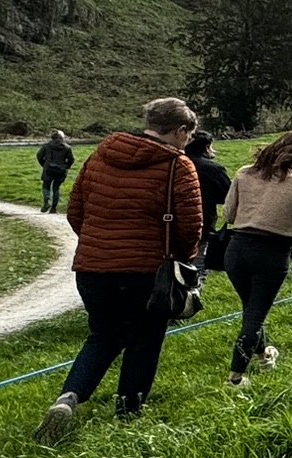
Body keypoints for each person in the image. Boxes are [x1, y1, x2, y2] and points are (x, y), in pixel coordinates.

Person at [34, 98, 203, 440]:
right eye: (188, 135)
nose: (187, 142)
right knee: (145, 339)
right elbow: (190, 228)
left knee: (102, 335)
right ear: (180, 130)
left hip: (93, 268)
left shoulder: (100, 155)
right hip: (147, 270)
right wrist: (182, 258)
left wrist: (99, 243)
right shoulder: (178, 165)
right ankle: (129, 413)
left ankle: (68, 397)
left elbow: (75, 211)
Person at [220, 130, 292, 386]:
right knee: (255, 316)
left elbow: (228, 214)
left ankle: (264, 355)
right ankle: (235, 378)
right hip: (272, 253)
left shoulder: (244, 173)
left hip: (237, 249)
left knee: (251, 308)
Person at [185, 131, 232, 282]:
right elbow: (228, 196)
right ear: (206, 147)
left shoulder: (172, 164)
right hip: (201, 224)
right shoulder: (213, 169)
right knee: (197, 268)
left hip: (167, 225)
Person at [37, 129, 75, 213]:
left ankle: (46, 202)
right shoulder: (67, 148)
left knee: (46, 186)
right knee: (56, 188)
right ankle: (53, 208)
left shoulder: (46, 146)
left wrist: (44, 164)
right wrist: (66, 166)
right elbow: (71, 159)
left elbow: (39, 156)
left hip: (48, 169)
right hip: (61, 170)